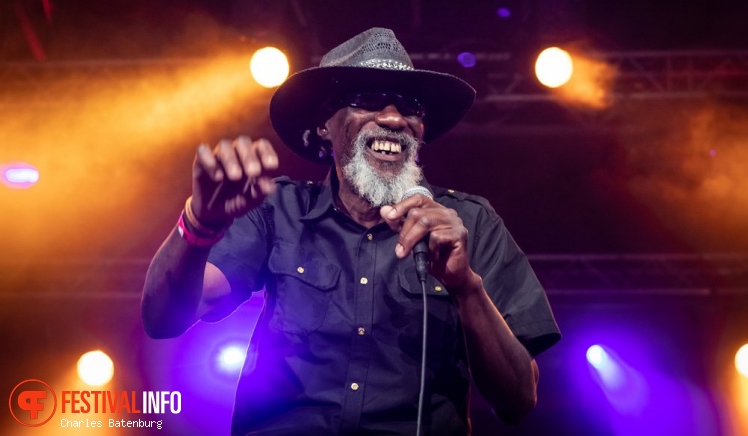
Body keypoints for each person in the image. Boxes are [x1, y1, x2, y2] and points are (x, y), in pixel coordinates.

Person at [141, 27, 561, 435]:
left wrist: (466, 287)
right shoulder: (278, 210)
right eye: (368, 100)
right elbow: (164, 319)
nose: (394, 118)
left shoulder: (470, 222)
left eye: (410, 106)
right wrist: (200, 224)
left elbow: (518, 401)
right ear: (325, 124)